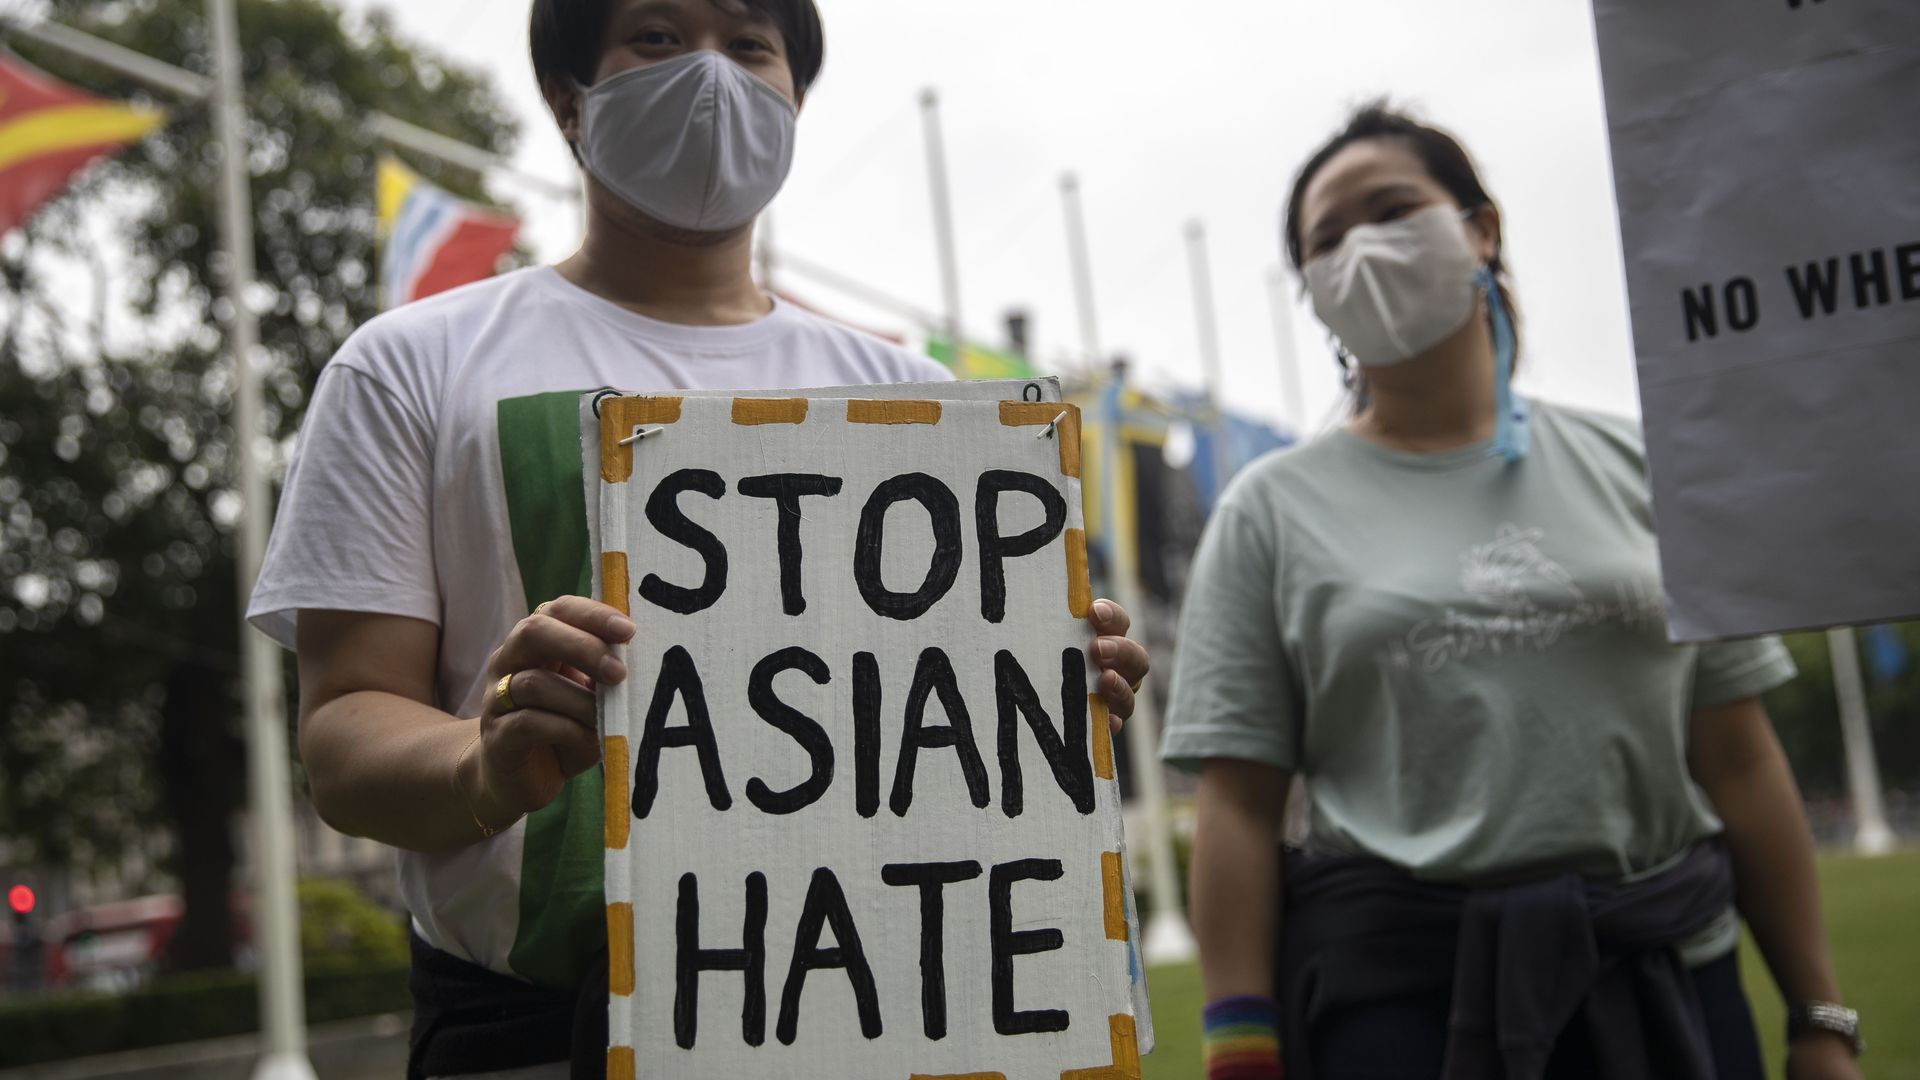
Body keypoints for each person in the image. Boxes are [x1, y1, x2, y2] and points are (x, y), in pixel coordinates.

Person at [245, 2, 1152, 1076]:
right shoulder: (407, 369)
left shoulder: (925, 404)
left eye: (750, 44)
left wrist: (1057, 688)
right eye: (661, 37)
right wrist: (480, 764)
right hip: (535, 1026)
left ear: (796, 99)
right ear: (570, 102)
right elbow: (344, 736)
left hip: (893, 1017)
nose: (713, 77)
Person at [1162, 104, 1863, 1080]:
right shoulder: (1266, 511)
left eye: (1393, 207)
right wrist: (1239, 1041)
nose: (1362, 247)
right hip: (1399, 1014)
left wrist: (1819, 1016)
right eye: (1328, 238)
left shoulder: (1645, 466)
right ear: (1314, 294)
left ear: (1481, 229)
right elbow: (1237, 806)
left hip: (1669, 993)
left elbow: (1741, 760)